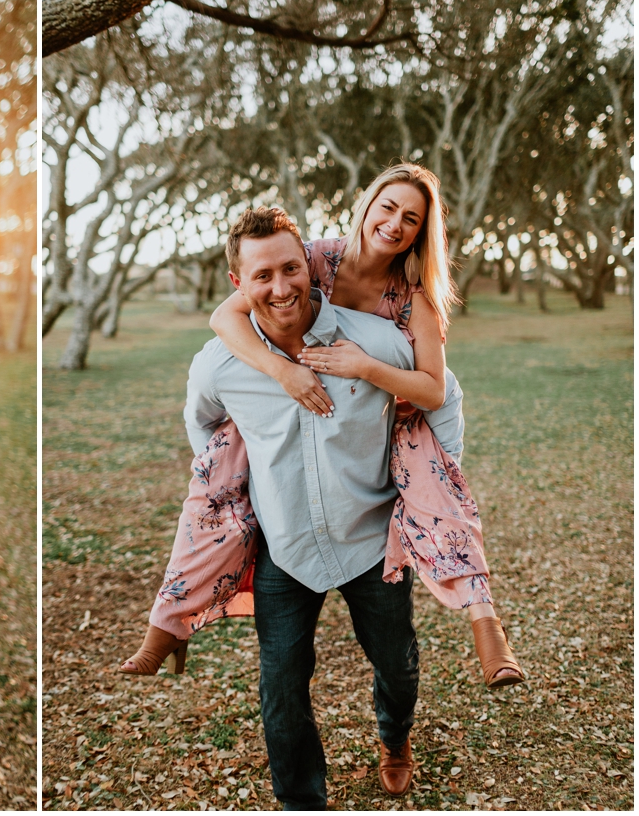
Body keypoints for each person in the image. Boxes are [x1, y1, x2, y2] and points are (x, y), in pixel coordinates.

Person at [120, 165, 522, 697]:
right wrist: (282, 372)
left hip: (385, 403)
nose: (395, 224)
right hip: (284, 380)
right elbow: (225, 316)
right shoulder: (311, 257)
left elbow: (436, 389)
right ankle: (168, 624)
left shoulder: (412, 298)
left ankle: (485, 625)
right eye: (387, 207)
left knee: (435, 482)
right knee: (214, 487)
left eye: (411, 218)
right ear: (366, 205)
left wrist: (364, 367)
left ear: (422, 232)